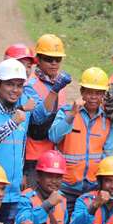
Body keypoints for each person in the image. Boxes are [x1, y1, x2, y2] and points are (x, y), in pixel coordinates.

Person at [0, 58, 53, 224]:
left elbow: (21, 146)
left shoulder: (22, 114)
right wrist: (12, 123)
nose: (15, 90)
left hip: (12, 193)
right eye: (10, 84)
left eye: (19, 85)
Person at [49, 67, 113, 208]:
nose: (93, 97)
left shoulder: (106, 120)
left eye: (98, 93)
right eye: (89, 92)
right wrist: (71, 115)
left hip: (92, 188)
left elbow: (109, 155)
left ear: (103, 95)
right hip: (65, 186)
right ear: (82, 92)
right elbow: (53, 137)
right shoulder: (66, 111)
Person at [22, 34, 71, 187]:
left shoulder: (60, 85)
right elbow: (37, 119)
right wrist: (54, 91)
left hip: (54, 155)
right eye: (49, 59)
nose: (54, 63)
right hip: (33, 157)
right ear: (38, 59)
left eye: (58, 59)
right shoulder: (30, 85)